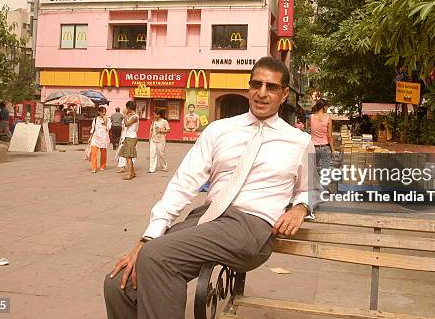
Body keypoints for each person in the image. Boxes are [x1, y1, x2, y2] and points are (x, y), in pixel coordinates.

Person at [104, 57, 321, 319]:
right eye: (256, 84)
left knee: (156, 256)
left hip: (251, 227)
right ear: (249, 87)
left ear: (284, 94)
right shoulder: (220, 130)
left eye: (271, 87)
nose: (262, 93)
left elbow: (313, 188)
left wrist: (301, 206)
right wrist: (148, 236)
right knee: (120, 283)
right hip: (208, 218)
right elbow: (184, 182)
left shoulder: (299, 141)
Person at [310, 99, 335, 173]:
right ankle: (323, 184)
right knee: (325, 172)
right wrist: (333, 150)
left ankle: (313, 184)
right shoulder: (328, 118)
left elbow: (310, 131)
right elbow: (329, 136)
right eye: (327, 107)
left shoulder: (311, 117)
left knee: (312, 171)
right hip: (325, 147)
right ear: (323, 107)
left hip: (313, 147)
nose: (327, 109)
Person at [118, 101, 139, 180]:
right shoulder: (132, 115)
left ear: (129, 108)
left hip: (131, 137)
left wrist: (124, 115)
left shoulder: (135, 117)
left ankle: (129, 174)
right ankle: (132, 173)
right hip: (128, 136)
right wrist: (126, 115)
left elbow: (127, 124)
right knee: (127, 155)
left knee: (128, 156)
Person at [89, 106, 111, 173]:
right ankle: (93, 168)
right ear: (99, 112)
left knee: (103, 153)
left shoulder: (108, 119)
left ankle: (102, 165)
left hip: (103, 137)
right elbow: (93, 128)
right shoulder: (95, 119)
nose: (104, 113)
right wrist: (90, 137)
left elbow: (109, 128)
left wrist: (105, 121)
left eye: (105, 112)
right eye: (102, 112)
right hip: (95, 137)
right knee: (94, 153)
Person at [148, 109, 170, 174]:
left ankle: (164, 166)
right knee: (152, 154)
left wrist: (161, 131)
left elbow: (168, 130)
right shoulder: (153, 121)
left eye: (155, 114)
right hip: (153, 140)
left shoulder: (164, 121)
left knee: (161, 154)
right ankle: (151, 169)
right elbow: (151, 130)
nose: (154, 116)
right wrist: (149, 137)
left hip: (161, 140)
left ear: (159, 115)